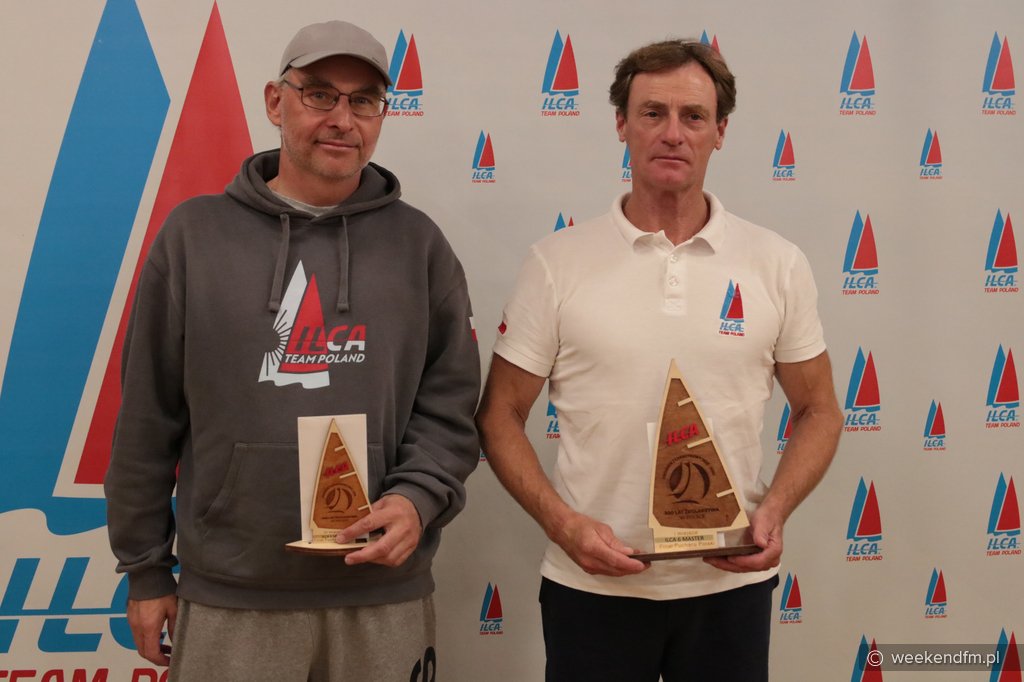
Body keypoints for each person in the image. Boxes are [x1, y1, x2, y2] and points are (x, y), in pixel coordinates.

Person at [104, 20, 480, 681]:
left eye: (363, 100)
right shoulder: (194, 238)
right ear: (276, 102)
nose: (342, 119)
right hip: (232, 595)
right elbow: (146, 418)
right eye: (320, 94)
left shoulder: (419, 246)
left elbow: (449, 405)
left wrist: (419, 497)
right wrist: (145, 570)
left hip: (381, 592)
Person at [475, 39, 842, 682]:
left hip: (730, 586)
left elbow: (820, 410)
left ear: (720, 131)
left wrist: (775, 510)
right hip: (593, 588)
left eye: (694, 116)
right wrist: (563, 525)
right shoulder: (556, 263)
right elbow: (499, 413)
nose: (673, 133)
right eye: (653, 113)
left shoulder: (777, 263)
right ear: (622, 124)